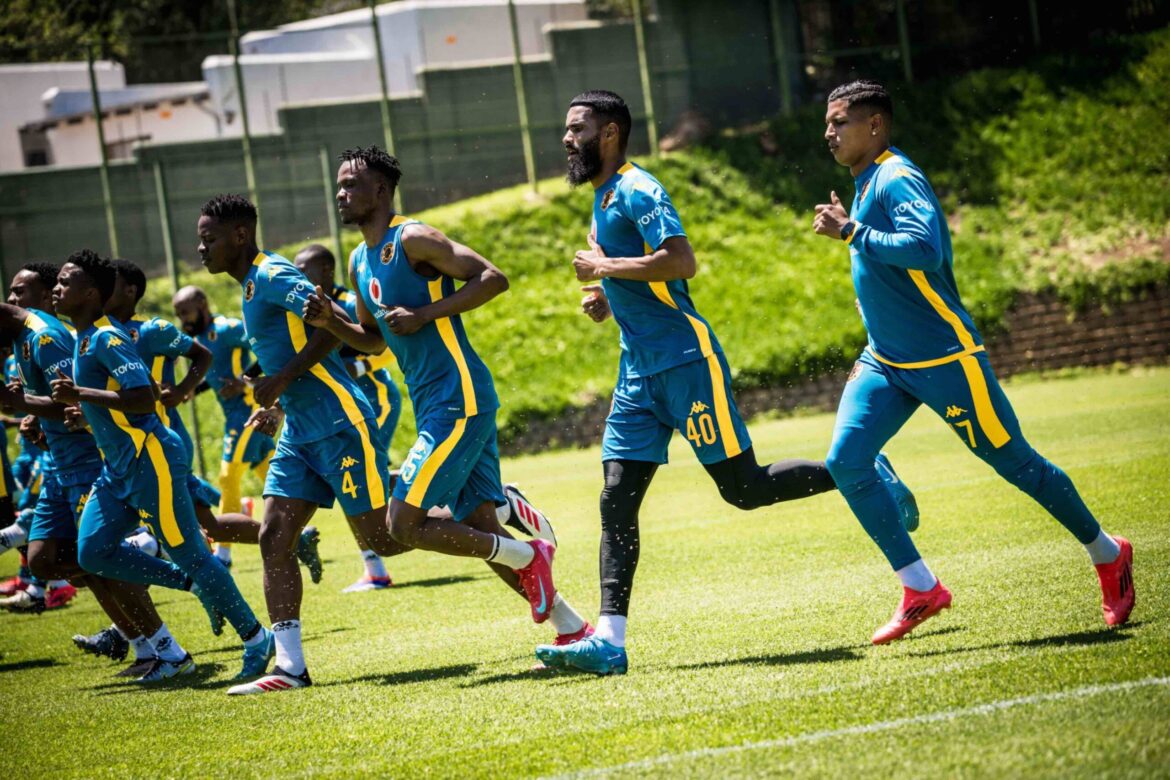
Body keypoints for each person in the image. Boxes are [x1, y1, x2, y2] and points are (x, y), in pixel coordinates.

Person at [534, 90, 917, 676]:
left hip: (687, 363)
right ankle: (609, 641)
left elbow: (680, 261)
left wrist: (605, 267)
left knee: (743, 489)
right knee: (616, 498)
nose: (567, 139)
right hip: (637, 371)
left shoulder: (639, 189)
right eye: (567, 129)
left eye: (577, 128)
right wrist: (609, 298)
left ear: (610, 134)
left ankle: (858, 473)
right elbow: (650, 277)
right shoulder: (603, 196)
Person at [811, 79, 1133, 643]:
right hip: (886, 360)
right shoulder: (864, 182)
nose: (829, 133)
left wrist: (852, 231)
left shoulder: (895, 175)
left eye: (841, 122)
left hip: (945, 358)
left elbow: (925, 248)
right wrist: (856, 235)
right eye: (828, 123)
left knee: (1016, 463)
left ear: (875, 125)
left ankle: (1108, 552)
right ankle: (921, 588)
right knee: (846, 461)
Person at [302, 147, 585, 672]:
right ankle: (573, 631)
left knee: (402, 524)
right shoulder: (360, 260)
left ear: (381, 191)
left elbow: (493, 278)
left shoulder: (413, 238)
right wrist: (331, 323)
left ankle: (530, 553)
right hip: (437, 403)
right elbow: (374, 340)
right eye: (338, 185)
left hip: (459, 400)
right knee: (481, 528)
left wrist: (426, 313)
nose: (340, 193)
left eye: (351, 184)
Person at [49, 249, 274, 682]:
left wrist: (82, 396)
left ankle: (255, 638)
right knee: (92, 551)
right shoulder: (82, 338)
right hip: (117, 470)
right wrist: (86, 414)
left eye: (64, 281)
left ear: (91, 292)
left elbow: (143, 397)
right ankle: (195, 585)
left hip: (151, 460)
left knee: (193, 553)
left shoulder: (108, 338)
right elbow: (114, 404)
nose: (56, 289)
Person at [293, 244, 402, 592]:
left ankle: (377, 569)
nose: (297, 276)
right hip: (340, 411)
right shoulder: (303, 306)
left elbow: (387, 345)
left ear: (326, 271)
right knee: (358, 480)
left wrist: (358, 366)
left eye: (304, 269)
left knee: (356, 479)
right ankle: (375, 568)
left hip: (375, 400)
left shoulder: (351, 302)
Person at [172, 285, 279, 570]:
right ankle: (294, 531)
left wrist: (245, 381)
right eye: (178, 314)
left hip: (247, 412)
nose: (183, 319)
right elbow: (218, 376)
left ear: (202, 303)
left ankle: (223, 554)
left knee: (228, 476)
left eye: (185, 312)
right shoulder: (200, 338)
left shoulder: (227, 328)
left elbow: (264, 346)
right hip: (234, 414)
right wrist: (193, 390)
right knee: (273, 476)